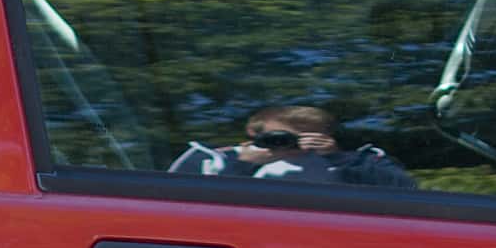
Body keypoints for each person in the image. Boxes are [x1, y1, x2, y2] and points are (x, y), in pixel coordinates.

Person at [168, 101, 415, 190]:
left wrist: (335, 159)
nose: (291, 146)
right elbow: (184, 210)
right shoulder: (209, 161)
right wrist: (242, 165)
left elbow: (404, 190)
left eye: (308, 138)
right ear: (254, 133)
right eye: (281, 137)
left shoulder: (362, 160)